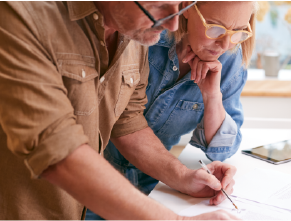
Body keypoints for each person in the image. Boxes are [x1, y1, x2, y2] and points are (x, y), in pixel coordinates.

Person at [0, 1, 241, 221]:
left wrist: (183, 177)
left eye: (180, 6)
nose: (174, 25)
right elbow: (55, 149)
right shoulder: (17, 11)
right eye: (158, 6)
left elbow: (127, 120)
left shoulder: (136, 29)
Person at [86, 1, 257, 219]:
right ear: (187, 9)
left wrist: (212, 96)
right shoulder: (145, 34)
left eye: (239, 32)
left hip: (157, 184)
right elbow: (123, 121)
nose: (224, 44)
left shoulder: (230, 60)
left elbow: (221, 151)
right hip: (91, 176)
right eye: (214, 28)